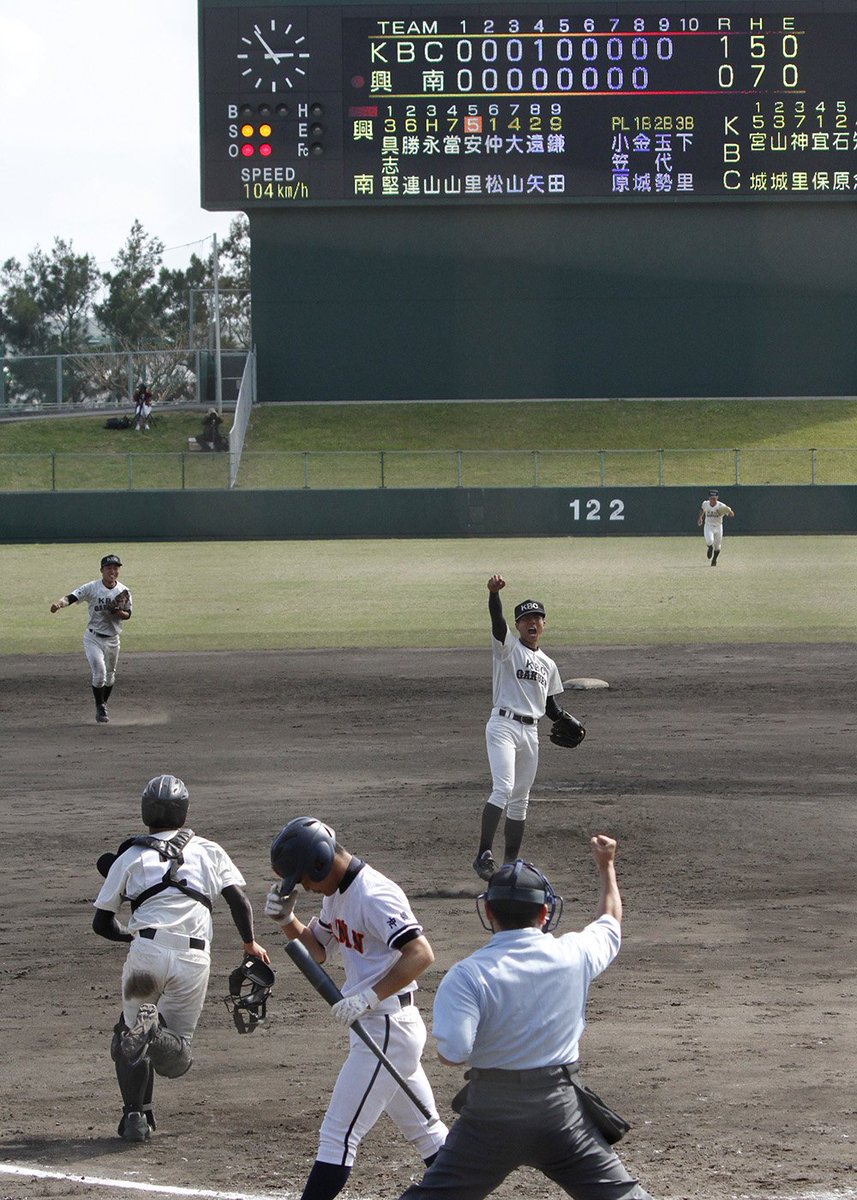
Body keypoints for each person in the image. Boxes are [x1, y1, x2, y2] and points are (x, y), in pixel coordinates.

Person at [397, 840, 652, 1200]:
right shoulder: (574, 954)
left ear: (488, 911)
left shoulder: (467, 975)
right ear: (544, 914)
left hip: (490, 1118)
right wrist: (606, 866)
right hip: (560, 1113)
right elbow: (610, 921)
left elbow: (454, 1053)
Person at [264, 816, 448, 1200]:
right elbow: (318, 949)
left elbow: (420, 953)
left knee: (338, 1136)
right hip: (382, 1027)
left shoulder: (375, 894)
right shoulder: (337, 894)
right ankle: (465, 1187)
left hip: (387, 1027)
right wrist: (287, 921)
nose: (304, 888)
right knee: (429, 1134)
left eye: (303, 879)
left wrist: (369, 996)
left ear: (319, 863)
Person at [92, 774, 269, 1143]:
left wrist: (131, 934)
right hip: (193, 959)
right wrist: (250, 943)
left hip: (146, 956)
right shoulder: (209, 850)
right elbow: (239, 900)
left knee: (128, 1034)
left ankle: (134, 1119)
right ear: (184, 811)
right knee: (177, 1054)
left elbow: (101, 923)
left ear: (146, 812)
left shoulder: (130, 856)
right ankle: (154, 1034)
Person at [474, 575, 582, 881]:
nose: (532, 623)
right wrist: (494, 595)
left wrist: (566, 720)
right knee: (504, 788)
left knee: (521, 799)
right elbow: (497, 619)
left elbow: (549, 706)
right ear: (518, 626)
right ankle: (483, 854)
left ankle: (509, 868)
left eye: (537, 618)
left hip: (530, 732)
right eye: (526, 619)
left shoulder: (549, 664)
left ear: (544, 624)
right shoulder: (507, 648)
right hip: (503, 726)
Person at [50, 553, 132, 724]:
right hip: (93, 638)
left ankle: (103, 704)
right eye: (109, 568)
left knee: (110, 677)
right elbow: (72, 597)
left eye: (115, 568)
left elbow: (127, 615)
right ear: (102, 570)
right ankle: (100, 706)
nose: (112, 571)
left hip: (113, 639)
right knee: (100, 673)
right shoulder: (92, 587)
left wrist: (117, 611)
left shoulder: (123, 591)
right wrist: (59, 604)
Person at [697, 488, 735, 566]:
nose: (712, 500)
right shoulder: (705, 503)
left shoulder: (721, 506)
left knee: (717, 546)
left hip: (718, 527)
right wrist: (700, 518)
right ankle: (710, 548)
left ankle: (714, 559)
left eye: (714, 498)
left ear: (717, 498)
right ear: (709, 498)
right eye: (711, 498)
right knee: (709, 541)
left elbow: (732, 514)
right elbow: (702, 509)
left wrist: (729, 510)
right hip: (708, 526)